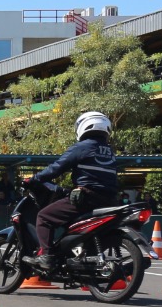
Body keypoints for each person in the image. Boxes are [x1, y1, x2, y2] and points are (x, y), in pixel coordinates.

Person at [27, 110, 119, 273]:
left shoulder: (82, 147)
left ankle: (47, 256)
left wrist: (35, 178)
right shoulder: (110, 151)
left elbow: (56, 168)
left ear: (83, 126)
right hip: (109, 200)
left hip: (86, 198)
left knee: (44, 217)